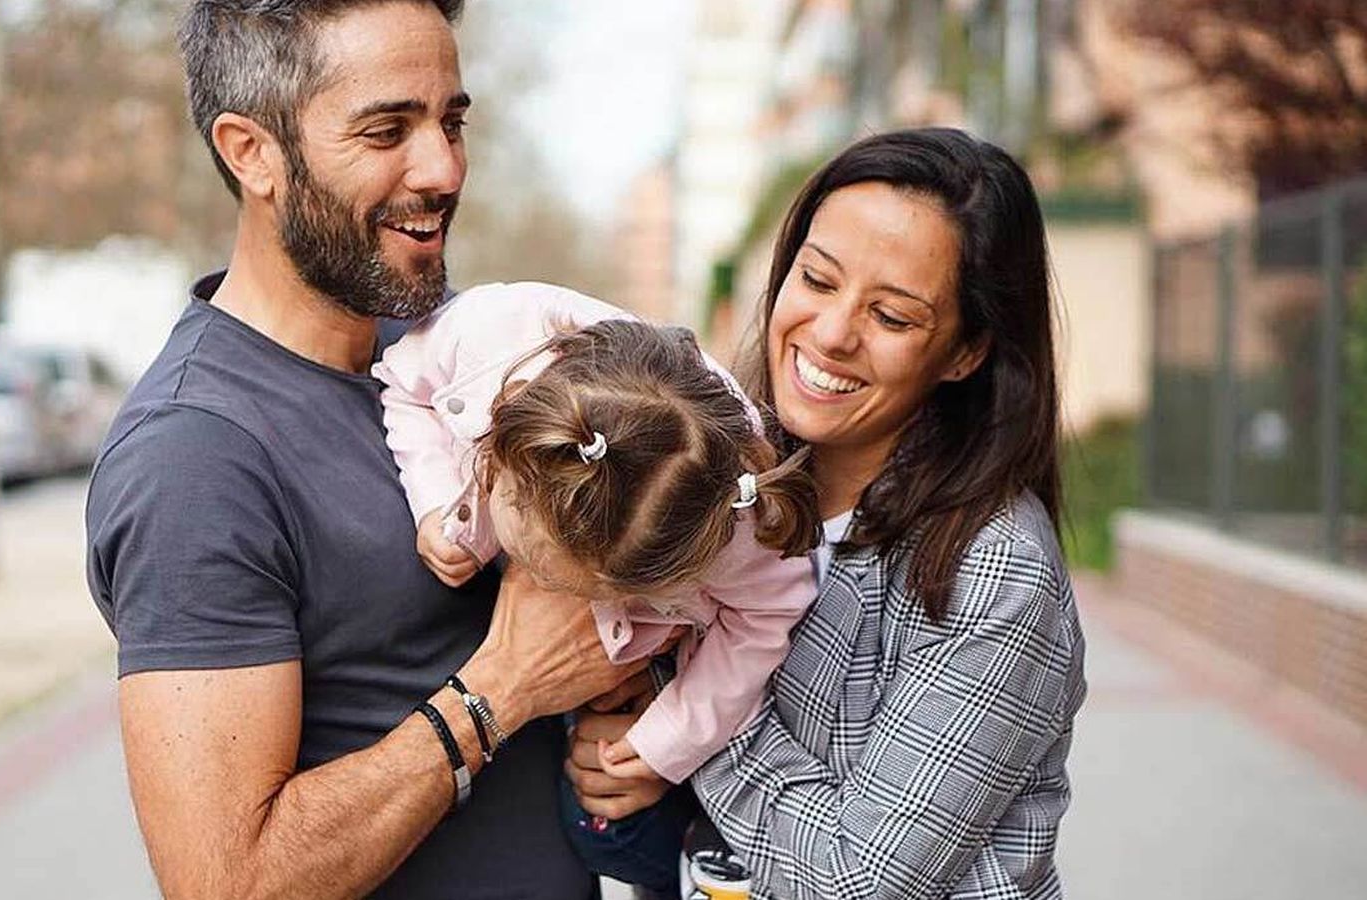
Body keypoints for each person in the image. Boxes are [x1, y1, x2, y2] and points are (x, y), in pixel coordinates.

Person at [84, 3, 641, 898]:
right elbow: (230, 882)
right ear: (250, 152)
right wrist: (501, 691)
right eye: (388, 129)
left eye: (451, 121)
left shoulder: (442, 351)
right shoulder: (194, 458)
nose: (444, 168)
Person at [566, 127, 1088, 898]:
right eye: (817, 279)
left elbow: (859, 879)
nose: (834, 334)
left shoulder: (994, 569)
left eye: (894, 317)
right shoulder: (719, 466)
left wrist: (685, 727)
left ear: (965, 351)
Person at [372, 281, 823, 894]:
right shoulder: (480, 337)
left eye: (570, 584)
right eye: (536, 562)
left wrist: (670, 738)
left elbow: (769, 613)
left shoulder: (736, 528)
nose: (546, 587)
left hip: (638, 687)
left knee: (609, 829)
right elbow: (404, 387)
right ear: (503, 452)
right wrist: (440, 507)